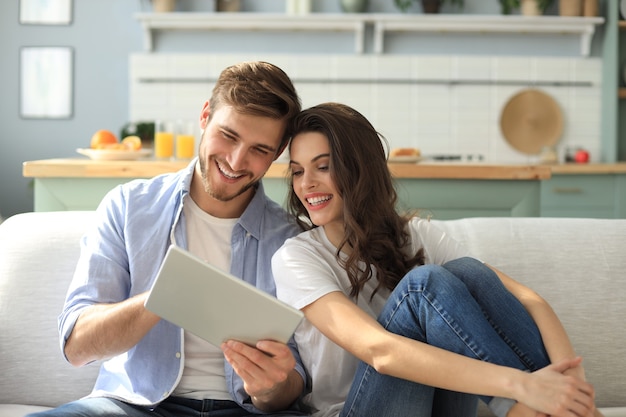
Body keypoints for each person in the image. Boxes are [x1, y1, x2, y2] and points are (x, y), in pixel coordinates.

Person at [271, 102, 603, 417]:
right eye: (298, 171)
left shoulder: (415, 236)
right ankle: (519, 407)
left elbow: (530, 300)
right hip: (355, 410)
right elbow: (380, 351)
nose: (306, 184)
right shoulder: (296, 257)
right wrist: (524, 385)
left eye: (323, 166)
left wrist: (573, 385)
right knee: (421, 287)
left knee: (466, 272)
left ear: (360, 169)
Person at [29, 61, 310, 417]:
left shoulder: (292, 238)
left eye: (260, 150)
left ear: (279, 151)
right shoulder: (129, 206)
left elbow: (296, 378)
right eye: (229, 135)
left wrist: (272, 389)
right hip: (132, 406)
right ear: (205, 117)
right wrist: (161, 297)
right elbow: (77, 346)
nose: (237, 162)